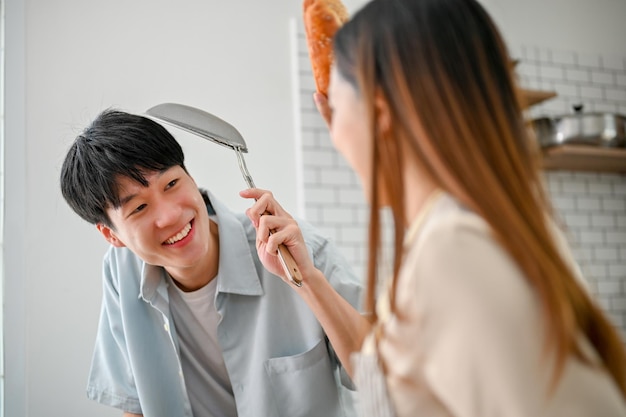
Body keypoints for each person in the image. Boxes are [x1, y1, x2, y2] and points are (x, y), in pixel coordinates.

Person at [240, 0, 626, 416]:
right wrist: (307, 279)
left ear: (380, 112)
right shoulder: (482, 227)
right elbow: (390, 379)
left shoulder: (454, 250)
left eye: (338, 106)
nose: (335, 136)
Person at [59, 109, 364, 417]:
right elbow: (134, 405)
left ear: (190, 176)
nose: (170, 216)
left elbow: (381, 373)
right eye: (139, 208)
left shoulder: (300, 250)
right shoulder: (121, 272)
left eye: (171, 184)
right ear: (112, 235)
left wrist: (309, 280)